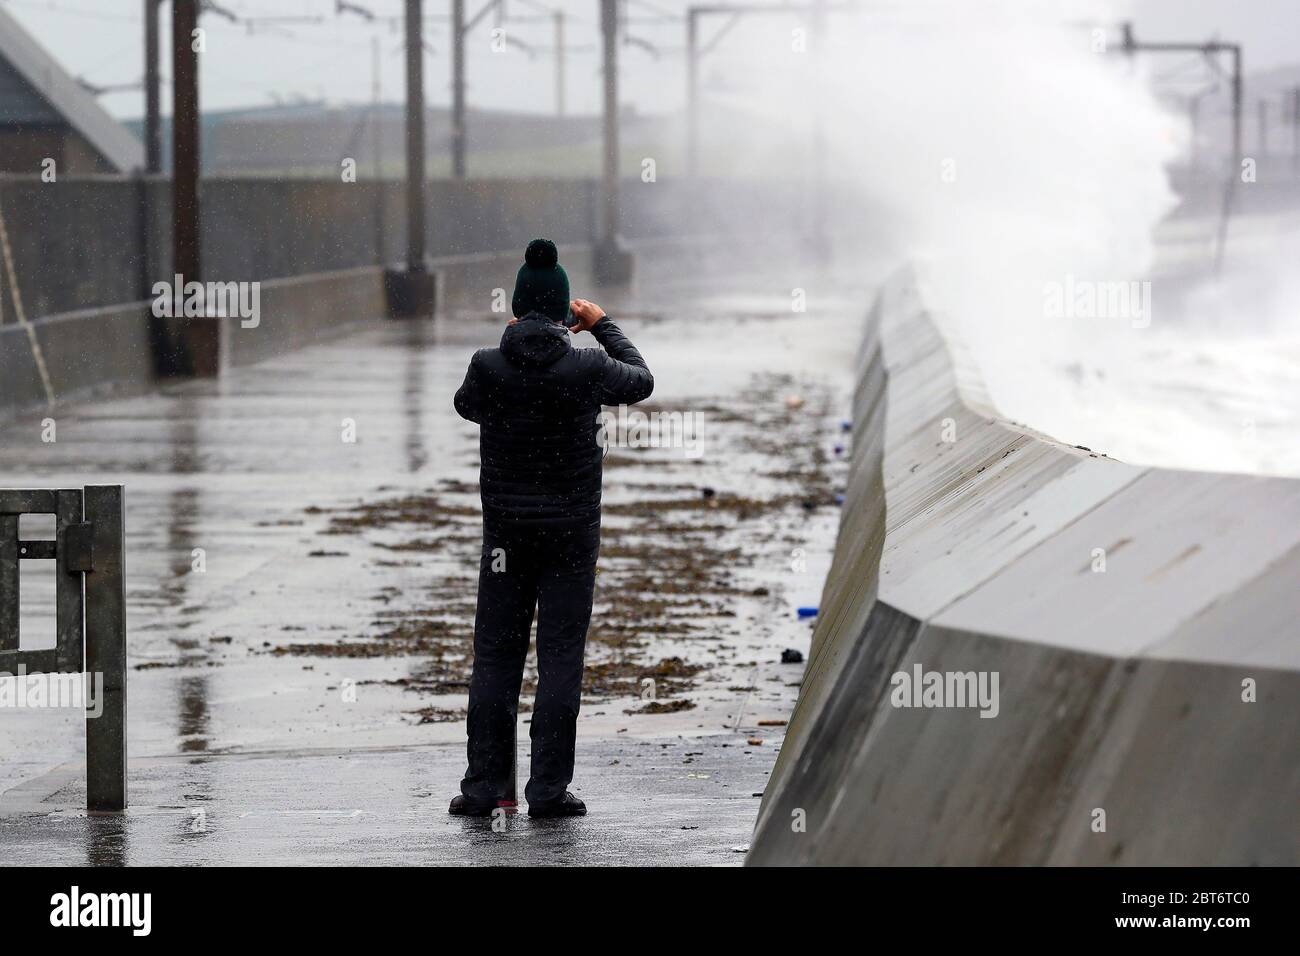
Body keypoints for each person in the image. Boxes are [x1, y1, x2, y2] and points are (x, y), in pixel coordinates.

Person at [450, 238, 653, 818]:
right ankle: (546, 791)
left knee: (494, 658)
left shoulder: (487, 366)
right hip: (570, 537)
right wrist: (603, 325)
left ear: (516, 307)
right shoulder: (587, 366)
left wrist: (515, 344)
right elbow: (641, 381)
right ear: (568, 312)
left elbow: (466, 406)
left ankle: (483, 787)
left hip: (505, 542)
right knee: (560, 658)